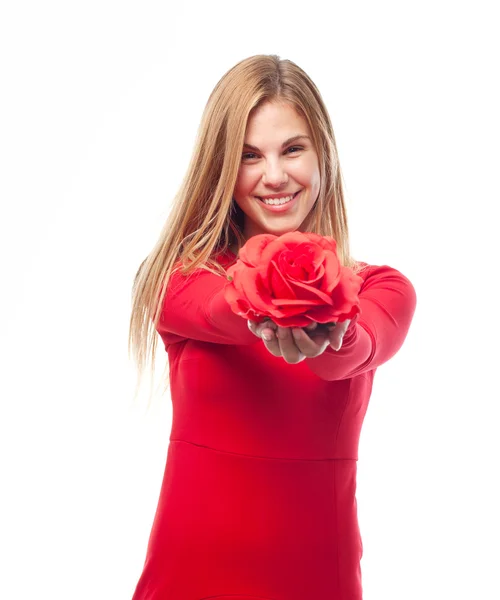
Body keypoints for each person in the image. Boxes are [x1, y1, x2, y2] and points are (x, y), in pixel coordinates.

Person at [128, 54, 417, 600]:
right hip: (188, 579)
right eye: (249, 156)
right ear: (221, 168)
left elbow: (349, 352)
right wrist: (285, 301)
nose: (275, 176)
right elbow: (223, 313)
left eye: (292, 149)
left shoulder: (384, 288)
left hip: (317, 582)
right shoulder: (179, 278)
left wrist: (331, 326)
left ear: (322, 153)